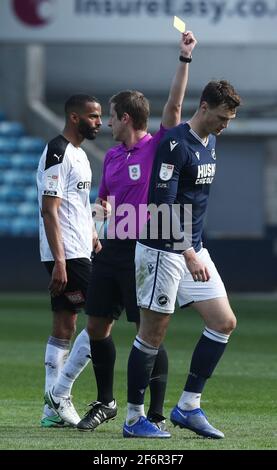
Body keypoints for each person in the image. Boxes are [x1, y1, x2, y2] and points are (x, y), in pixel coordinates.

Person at [46, 31, 196, 432]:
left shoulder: (158, 145)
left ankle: (156, 412)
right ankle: (107, 401)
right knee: (96, 325)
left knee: (148, 330)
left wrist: (184, 59)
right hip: (112, 247)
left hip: (146, 246)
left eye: (110, 115)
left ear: (126, 117)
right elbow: (105, 202)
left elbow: (175, 105)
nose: (107, 122)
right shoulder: (111, 155)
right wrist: (93, 228)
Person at [123, 80, 241, 438]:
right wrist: (188, 251)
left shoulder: (212, 142)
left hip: (192, 247)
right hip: (163, 248)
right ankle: (133, 418)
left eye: (230, 118)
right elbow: (162, 205)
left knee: (223, 322)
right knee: (152, 334)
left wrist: (194, 248)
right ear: (203, 107)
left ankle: (189, 405)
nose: (226, 124)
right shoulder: (175, 144)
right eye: (222, 116)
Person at [37, 94, 102, 427]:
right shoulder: (57, 151)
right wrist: (60, 261)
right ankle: (61, 394)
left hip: (80, 248)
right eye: (92, 116)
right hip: (67, 253)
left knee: (65, 325)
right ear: (74, 117)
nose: (99, 122)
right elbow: (49, 210)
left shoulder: (81, 155)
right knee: (102, 316)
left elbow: (80, 201)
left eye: (100, 116)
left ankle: (51, 410)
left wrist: (93, 232)